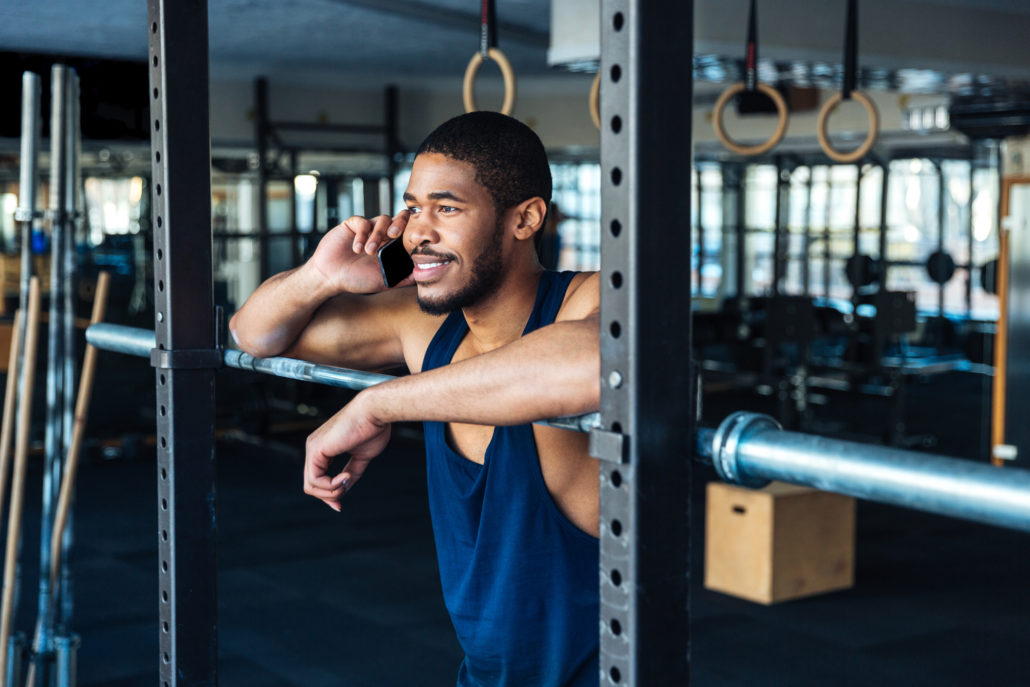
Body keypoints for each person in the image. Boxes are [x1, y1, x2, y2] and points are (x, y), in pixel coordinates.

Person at [229, 111, 601, 687]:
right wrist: (322, 277)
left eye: (446, 209)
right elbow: (256, 334)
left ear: (524, 219)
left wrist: (376, 404)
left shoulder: (588, 300)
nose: (416, 232)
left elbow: (593, 366)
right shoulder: (426, 327)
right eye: (413, 207)